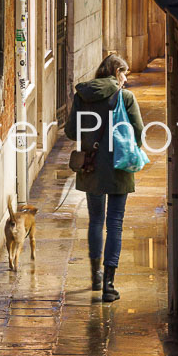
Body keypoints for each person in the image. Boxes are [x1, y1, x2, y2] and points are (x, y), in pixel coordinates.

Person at [64, 51, 145, 302]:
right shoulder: (126, 97)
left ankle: (95, 275)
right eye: (125, 74)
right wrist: (131, 148)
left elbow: (70, 131)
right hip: (119, 168)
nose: (126, 81)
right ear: (116, 73)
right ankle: (110, 284)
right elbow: (139, 132)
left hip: (91, 168)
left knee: (96, 221)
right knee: (115, 223)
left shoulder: (83, 96)